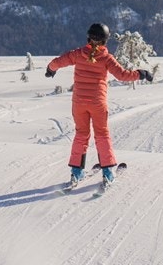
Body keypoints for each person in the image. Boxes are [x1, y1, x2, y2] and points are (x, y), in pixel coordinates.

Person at [45, 23, 153, 187]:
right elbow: (123, 75)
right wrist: (140, 74)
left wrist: (50, 69)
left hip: (79, 103)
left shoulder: (78, 54)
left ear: (89, 37)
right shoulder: (106, 58)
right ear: (105, 40)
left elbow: (59, 61)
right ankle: (108, 173)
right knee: (102, 135)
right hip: (97, 104)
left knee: (81, 134)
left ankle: (76, 173)